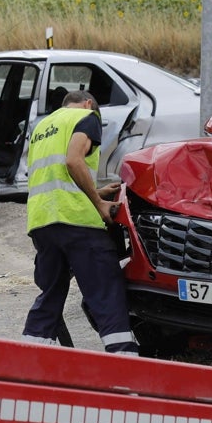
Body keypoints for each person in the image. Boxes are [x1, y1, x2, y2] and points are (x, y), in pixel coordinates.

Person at [21, 90, 138, 355]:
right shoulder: (87, 116)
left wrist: (97, 192)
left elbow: (54, 175)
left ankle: (29, 356)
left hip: (42, 223)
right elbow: (73, 160)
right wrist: (99, 204)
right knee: (105, 291)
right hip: (77, 222)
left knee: (51, 294)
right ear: (88, 103)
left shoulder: (42, 127)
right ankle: (125, 361)